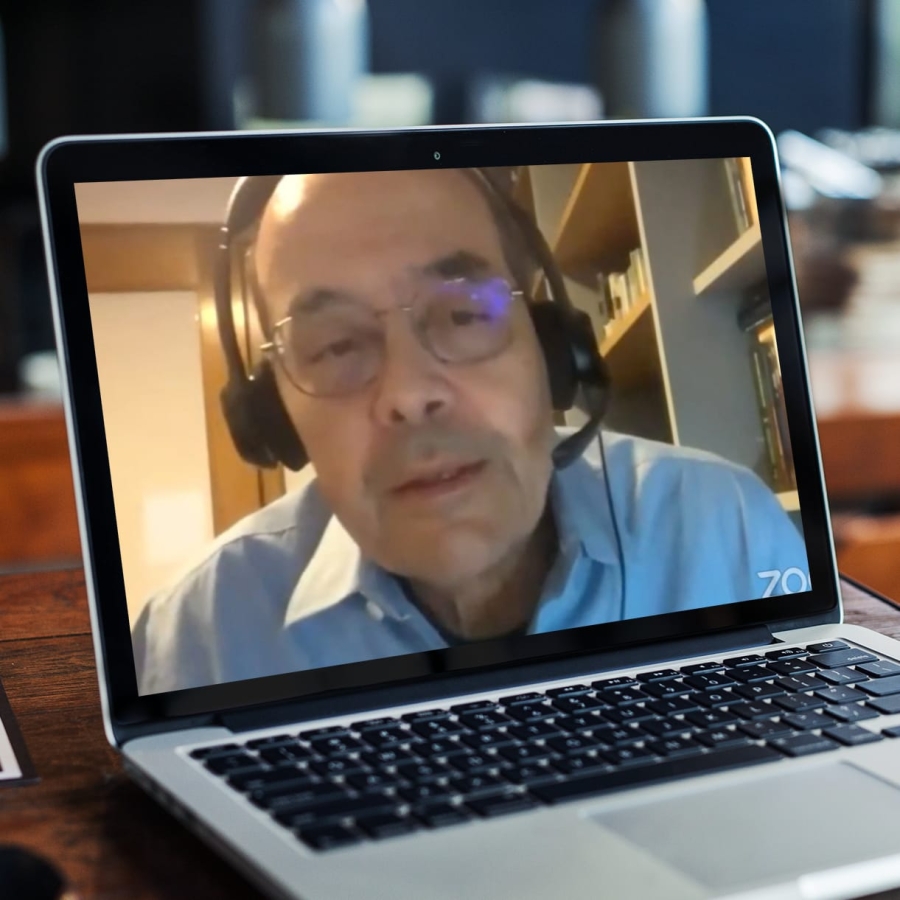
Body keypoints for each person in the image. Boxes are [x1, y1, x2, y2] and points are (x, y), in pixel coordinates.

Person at [132, 168, 808, 694]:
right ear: (275, 415)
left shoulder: (728, 530)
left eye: (463, 314)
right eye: (335, 346)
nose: (408, 394)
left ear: (552, 350)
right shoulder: (197, 640)